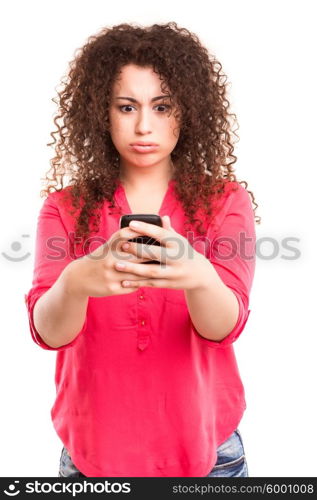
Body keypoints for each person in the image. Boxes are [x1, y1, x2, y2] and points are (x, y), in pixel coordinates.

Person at [24, 21, 260, 478]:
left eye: (162, 106)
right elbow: (49, 333)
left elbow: (223, 328)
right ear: (101, 113)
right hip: (93, 456)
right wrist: (74, 284)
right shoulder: (64, 208)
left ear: (187, 112)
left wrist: (200, 276)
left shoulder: (226, 203)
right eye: (126, 107)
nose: (144, 126)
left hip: (208, 453)